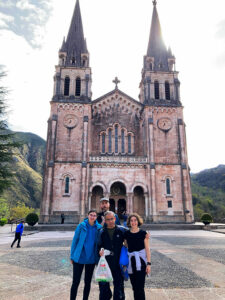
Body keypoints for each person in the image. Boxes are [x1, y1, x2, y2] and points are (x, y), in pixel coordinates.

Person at [70, 210, 102, 300]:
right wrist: (72, 256)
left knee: (87, 282)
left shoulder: (99, 227)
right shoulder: (81, 226)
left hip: (91, 259)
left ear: (96, 217)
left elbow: (100, 243)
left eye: (94, 215)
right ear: (88, 215)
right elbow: (75, 241)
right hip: (79, 257)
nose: (92, 217)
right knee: (75, 281)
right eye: (91, 215)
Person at [98, 211, 126, 300]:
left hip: (118, 263)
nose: (110, 221)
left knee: (119, 287)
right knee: (104, 288)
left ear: (115, 219)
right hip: (105, 264)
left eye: (112, 219)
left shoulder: (122, 230)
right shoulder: (101, 232)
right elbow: (98, 245)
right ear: (105, 221)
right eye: (108, 220)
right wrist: (100, 251)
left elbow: (133, 235)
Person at [124, 213, 151, 300]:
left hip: (141, 262)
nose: (133, 222)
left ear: (138, 221)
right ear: (129, 222)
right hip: (131, 262)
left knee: (140, 287)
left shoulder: (143, 233)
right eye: (131, 221)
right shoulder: (126, 233)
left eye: (135, 220)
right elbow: (126, 246)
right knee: (134, 287)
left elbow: (147, 249)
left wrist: (149, 264)